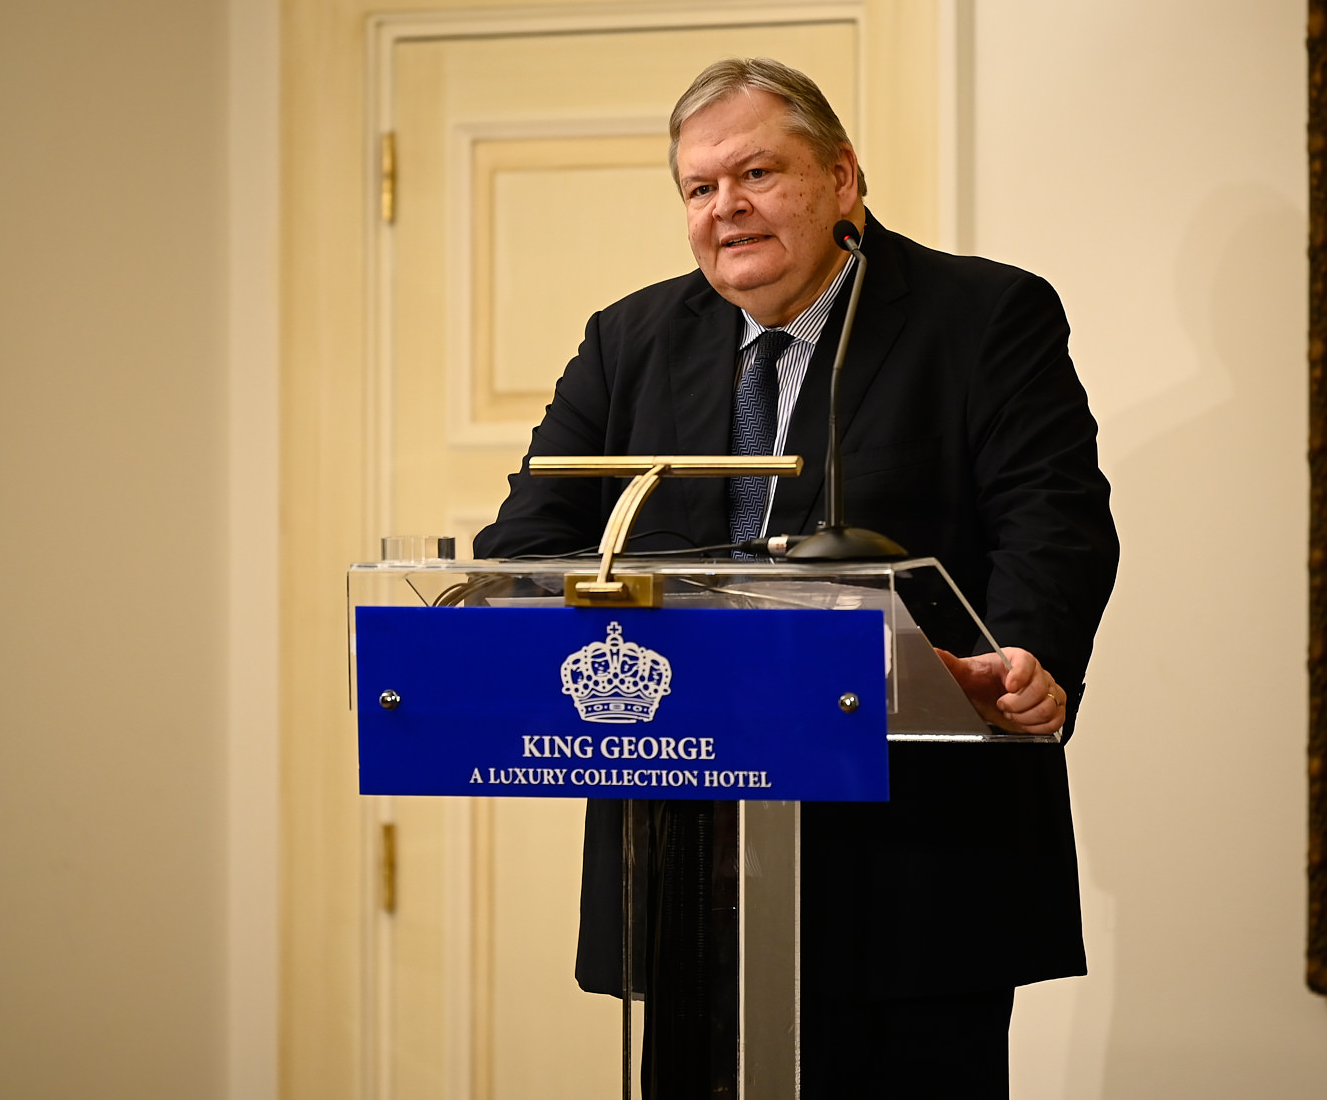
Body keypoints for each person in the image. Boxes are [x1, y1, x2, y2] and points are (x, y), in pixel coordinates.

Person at [475, 58, 1118, 1097]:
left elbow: (1054, 520)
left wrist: (1021, 655)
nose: (724, 206)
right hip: (690, 848)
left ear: (841, 177)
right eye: (698, 186)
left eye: (757, 173)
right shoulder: (628, 338)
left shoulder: (982, 314)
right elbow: (528, 541)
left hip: (913, 854)